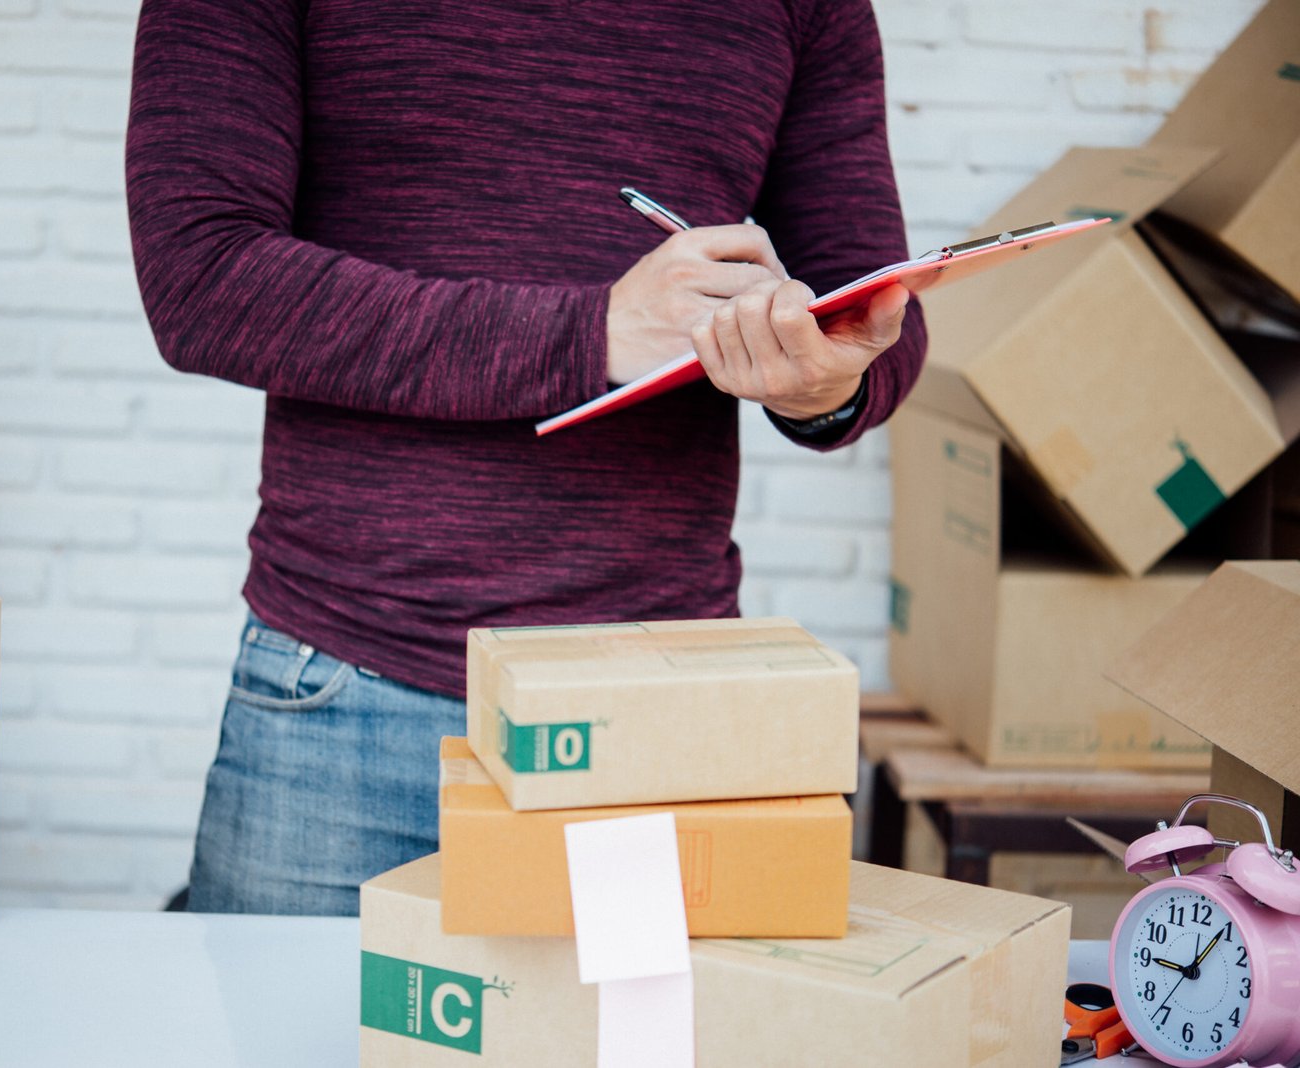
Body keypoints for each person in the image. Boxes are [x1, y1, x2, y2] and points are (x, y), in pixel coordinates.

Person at [126, 0, 926, 915]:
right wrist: (591, 334)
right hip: (346, 691)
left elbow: (877, 313)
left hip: (658, 701)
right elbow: (201, 276)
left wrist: (819, 380)